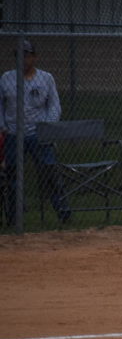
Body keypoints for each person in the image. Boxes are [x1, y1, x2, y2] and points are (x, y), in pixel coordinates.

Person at [0, 40, 71, 225]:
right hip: (13, 133)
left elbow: (54, 104)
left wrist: (48, 126)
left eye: (27, 55)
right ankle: (14, 218)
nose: (23, 59)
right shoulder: (6, 78)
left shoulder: (46, 78)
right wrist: (2, 125)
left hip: (39, 134)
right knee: (13, 176)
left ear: (34, 57)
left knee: (49, 173)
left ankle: (64, 213)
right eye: (19, 55)